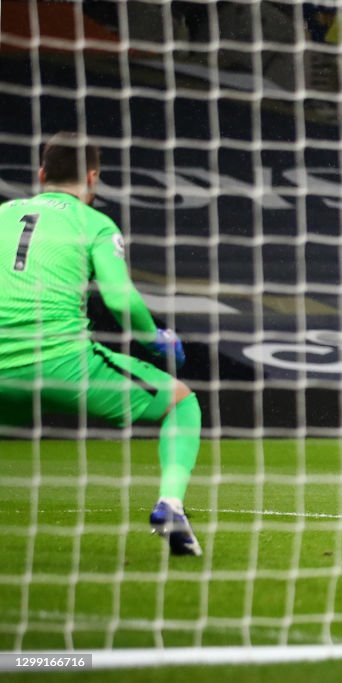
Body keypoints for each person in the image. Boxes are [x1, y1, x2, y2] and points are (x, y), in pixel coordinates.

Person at [0, 132, 203, 555]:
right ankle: (170, 505)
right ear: (93, 178)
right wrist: (155, 339)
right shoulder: (93, 223)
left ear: (41, 174)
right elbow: (119, 298)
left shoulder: (4, 213)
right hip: (63, 363)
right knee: (181, 402)